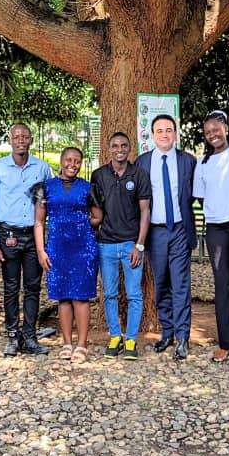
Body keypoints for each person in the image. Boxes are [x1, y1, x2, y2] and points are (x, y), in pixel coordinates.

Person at [0, 123, 53, 356]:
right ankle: (12, 336)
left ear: (31, 140)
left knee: (33, 287)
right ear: (10, 140)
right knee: (11, 287)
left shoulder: (42, 168)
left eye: (25, 136)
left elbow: (49, 201)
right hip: (9, 235)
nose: (21, 140)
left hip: (34, 235)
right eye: (16, 137)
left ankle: (30, 337)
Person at [134, 115, 197, 360]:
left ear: (175, 134)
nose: (164, 134)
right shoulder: (142, 163)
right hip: (156, 232)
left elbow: (193, 194)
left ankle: (182, 337)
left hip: (180, 229)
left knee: (180, 284)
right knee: (161, 283)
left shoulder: (187, 161)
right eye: (159, 130)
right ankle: (167, 332)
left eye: (169, 130)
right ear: (152, 135)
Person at [33, 147, 102, 364]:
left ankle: (81, 344)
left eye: (77, 161)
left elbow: (97, 217)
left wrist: (78, 224)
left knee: (81, 297)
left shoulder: (88, 188)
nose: (72, 165)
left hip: (83, 248)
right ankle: (66, 343)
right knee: (63, 297)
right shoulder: (45, 187)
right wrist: (41, 250)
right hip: (57, 248)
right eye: (69, 160)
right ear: (61, 161)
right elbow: (38, 222)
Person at [192, 110, 229, 363]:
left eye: (216, 129)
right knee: (223, 283)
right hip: (216, 228)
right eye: (207, 132)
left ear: (226, 128)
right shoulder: (203, 162)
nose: (212, 134)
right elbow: (200, 196)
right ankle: (227, 341)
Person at [91, 132, 150, 361]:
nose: (119, 149)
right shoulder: (99, 175)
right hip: (106, 244)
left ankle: (131, 339)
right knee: (109, 294)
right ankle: (115, 336)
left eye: (124, 145)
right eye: (115, 145)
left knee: (134, 294)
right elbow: (95, 211)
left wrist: (139, 245)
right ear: (109, 149)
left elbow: (145, 212)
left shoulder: (139, 174)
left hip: (130, 245)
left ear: (130, 147)